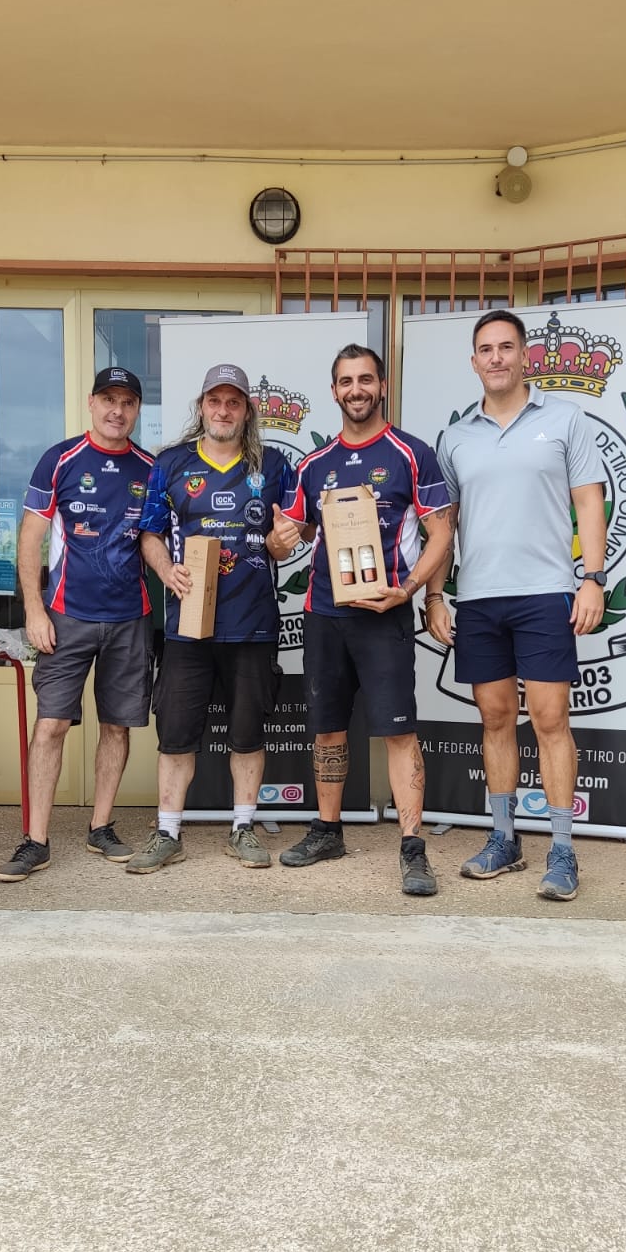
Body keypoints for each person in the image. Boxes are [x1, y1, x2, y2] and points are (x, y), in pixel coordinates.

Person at [428, 310, 607, 901]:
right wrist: (436, 594)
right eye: (486, 349)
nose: (497, 357)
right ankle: (504, 839)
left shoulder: (565, 419)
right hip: (479, 598)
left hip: (545, 593)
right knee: (495, 719)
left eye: (507, 347)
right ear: (474, 361)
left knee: (551, 720)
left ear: (525, 355)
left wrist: (593, 579)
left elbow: (589, 502)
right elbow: (444, 526)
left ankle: (562, 850)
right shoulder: (455, 437)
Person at [269, 344, 454, 896]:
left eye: (366, 379)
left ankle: (413, 847)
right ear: (334, 391)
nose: (356, 390)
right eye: (346, 381)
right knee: (327, 728)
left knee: (398, 732)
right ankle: (328, 831)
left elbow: (442, 532)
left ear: (382, 386)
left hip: (385, 612)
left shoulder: (411, 453)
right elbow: (289, 539)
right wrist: (279, 540)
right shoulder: (312, 465)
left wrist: (410, 591)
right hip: (325, 613)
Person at [128, 362, 290, 874]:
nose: (223, 410)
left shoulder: (273, 464)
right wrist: (166, 570)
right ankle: (167, 832)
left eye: (233, 402)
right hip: (188, 625)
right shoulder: (171, 463)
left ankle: (243, 827)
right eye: (215, 401)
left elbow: (288, 537)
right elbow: (150, 534)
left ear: (247, 410)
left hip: (253, 623)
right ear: (201, 407)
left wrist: (283, 540)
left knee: (248, 734)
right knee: (176, 734)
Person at [0, 366, 154, 882]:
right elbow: (30, 537)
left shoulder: (150, 468)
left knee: (117, 726)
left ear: (137, 410)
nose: (116, 411)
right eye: (108, 399)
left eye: (126, 402)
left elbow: (157, 539)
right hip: (65, 616)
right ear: (91, 403)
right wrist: (33, 609)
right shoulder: (60, 459)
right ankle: (35, 840)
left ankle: (100, 827)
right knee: (51, 726)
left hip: (130, 618)